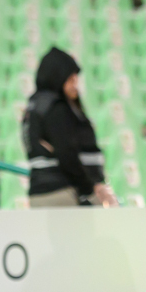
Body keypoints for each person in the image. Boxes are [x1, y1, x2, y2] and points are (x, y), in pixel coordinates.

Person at [21, 47, 117, 207]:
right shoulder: (55, 107)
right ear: (58, 77)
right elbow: (66, 152)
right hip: (60, 192)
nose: (75, 86)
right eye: (71, 80)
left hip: (40, 190)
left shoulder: (34, 105)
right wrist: (90, 188)